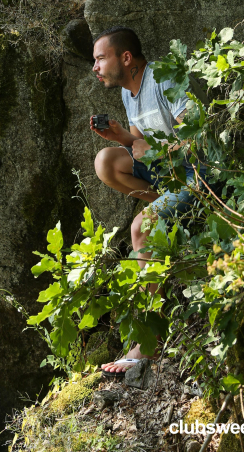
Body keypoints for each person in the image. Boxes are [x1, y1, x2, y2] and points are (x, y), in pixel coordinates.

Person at [90, 26, 204, 375]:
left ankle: (151, 339)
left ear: (125, 58)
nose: (95, 67)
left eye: (100, 58)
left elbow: (196, 135)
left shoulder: (163, 79)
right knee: (105, 162)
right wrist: (122, 137)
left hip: (197, 176)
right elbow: (140, 147)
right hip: (167, 176)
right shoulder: (128, 93)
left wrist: (150, 149)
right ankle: (168, 206)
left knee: (142, 225)